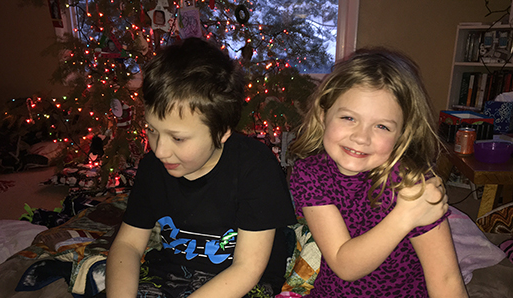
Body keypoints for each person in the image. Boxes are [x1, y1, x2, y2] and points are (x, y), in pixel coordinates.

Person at [106, 38, 297, 298]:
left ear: (222, 132)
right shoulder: (153, 167)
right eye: (151, 130)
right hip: (171, 275)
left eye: (178, 138)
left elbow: (247, 268)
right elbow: (128, 244)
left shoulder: (256, 167)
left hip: (241, 283)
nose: (159, 150)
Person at [288, 48, 468, 297]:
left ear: (402, 134)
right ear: (323, 115)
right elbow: (343, 263)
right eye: (349, 118)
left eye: (382, 126)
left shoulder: (412, 185)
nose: (361, 137)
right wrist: (406, 216)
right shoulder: (310, 173)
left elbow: (446, 279)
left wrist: (412, 205)